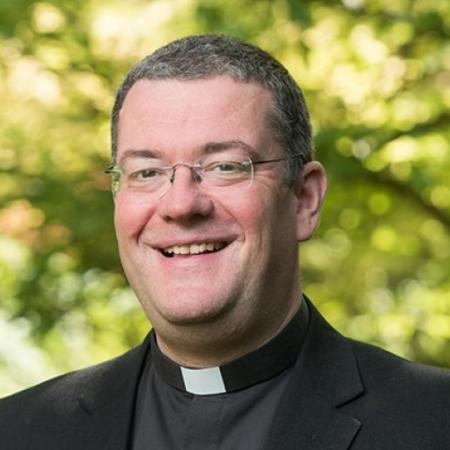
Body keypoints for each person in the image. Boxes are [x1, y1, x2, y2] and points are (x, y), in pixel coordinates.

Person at [0, 34, 449, 450]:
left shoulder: (434, 422)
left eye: (225, 167)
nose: (180, 204)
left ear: (304, 200)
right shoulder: (19, 430)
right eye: (147, 172)